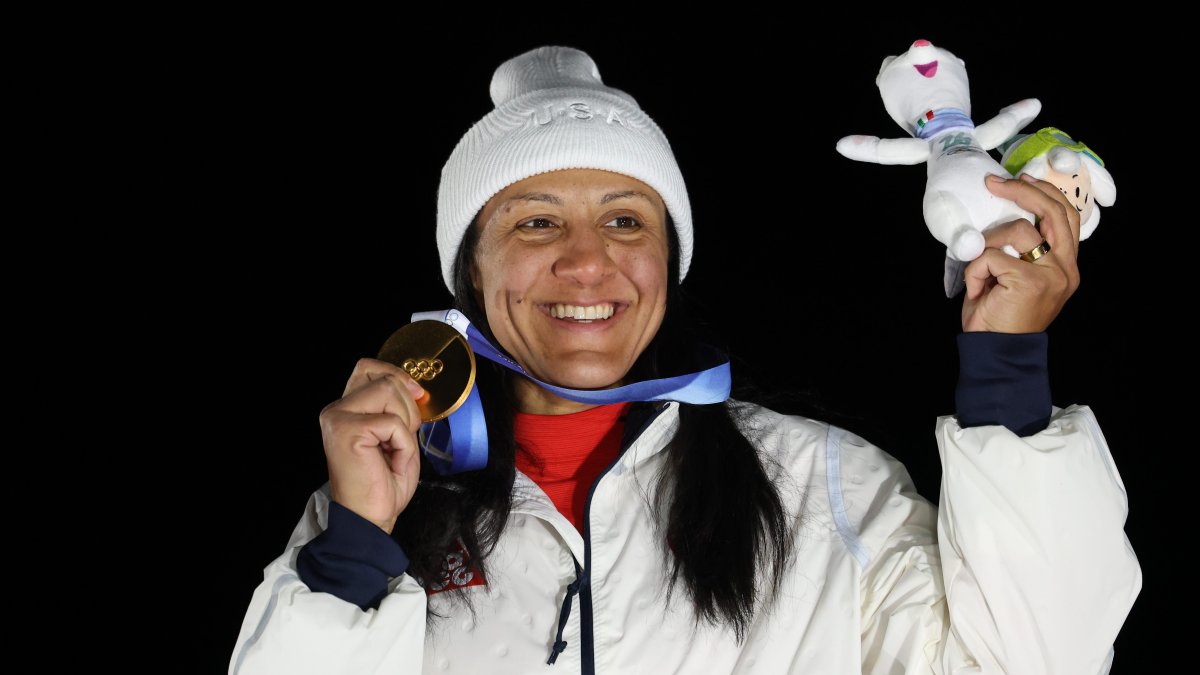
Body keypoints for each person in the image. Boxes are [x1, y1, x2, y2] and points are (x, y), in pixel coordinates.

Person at [229, 45, 1141, 674]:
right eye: (536, 220)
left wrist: (1007, 369)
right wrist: (356, 545)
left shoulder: (823, 487)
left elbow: (1040, 659)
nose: (587, 262)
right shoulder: (375, 513)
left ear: (668, 259)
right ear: (470, 268)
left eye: (627, 219)